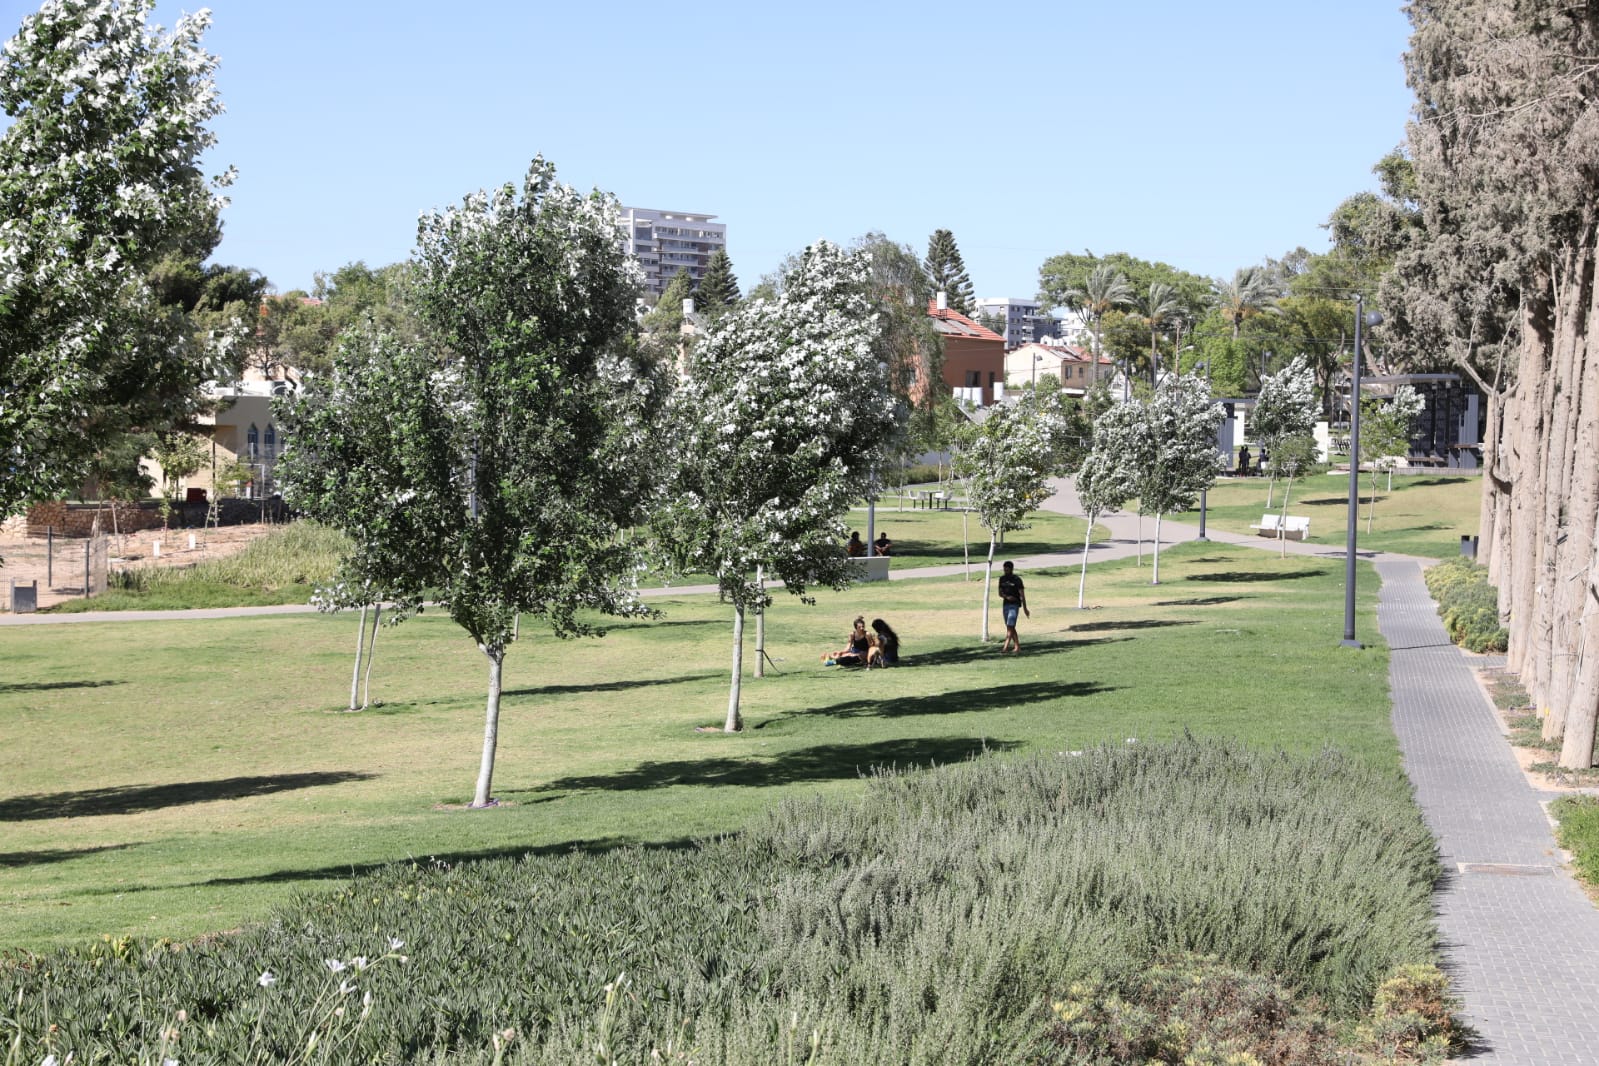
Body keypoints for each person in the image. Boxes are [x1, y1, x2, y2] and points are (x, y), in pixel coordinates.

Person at [997, 561, 1029, 654]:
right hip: (1005, 604)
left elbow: (1022, 595)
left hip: (1014, 605)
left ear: (1011, 569)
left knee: (1010, 625)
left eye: (1007, 569)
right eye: (1004, 569)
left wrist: (1025, 608)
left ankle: (1005, 647)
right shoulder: (1002, 579)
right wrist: (1006, 597)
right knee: (1009, 626)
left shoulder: (1017, 579)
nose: (1005, 571)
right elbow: (1000, 593)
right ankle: (1017, 647)